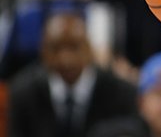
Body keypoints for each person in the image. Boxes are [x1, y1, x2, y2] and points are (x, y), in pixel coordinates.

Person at [7, 10, 138, 137]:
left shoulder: (121, 93)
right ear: (43, 51)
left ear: (89, 49)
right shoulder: (23, 93)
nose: (66, 59)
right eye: (56, 49)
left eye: (74, 47)